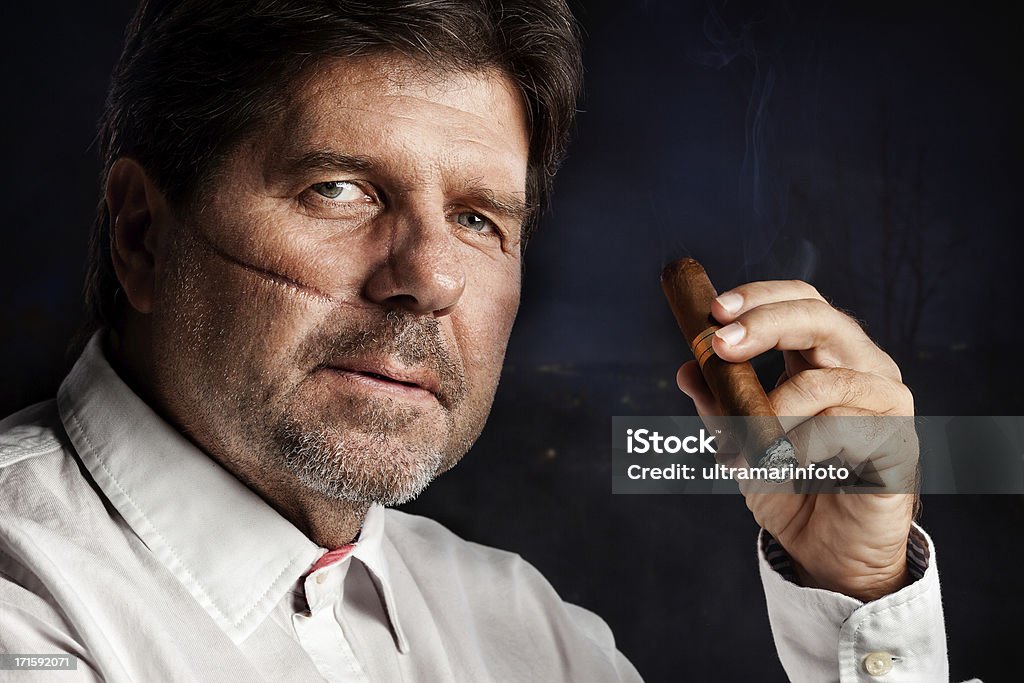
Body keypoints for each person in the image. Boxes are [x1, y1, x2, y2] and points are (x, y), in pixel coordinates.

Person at [0, 1, 951, 681]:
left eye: (479, 219)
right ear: (141, 235)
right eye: (340, 188)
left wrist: (856, 592)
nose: (430, 276)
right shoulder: (26, 605)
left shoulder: (527, 628)